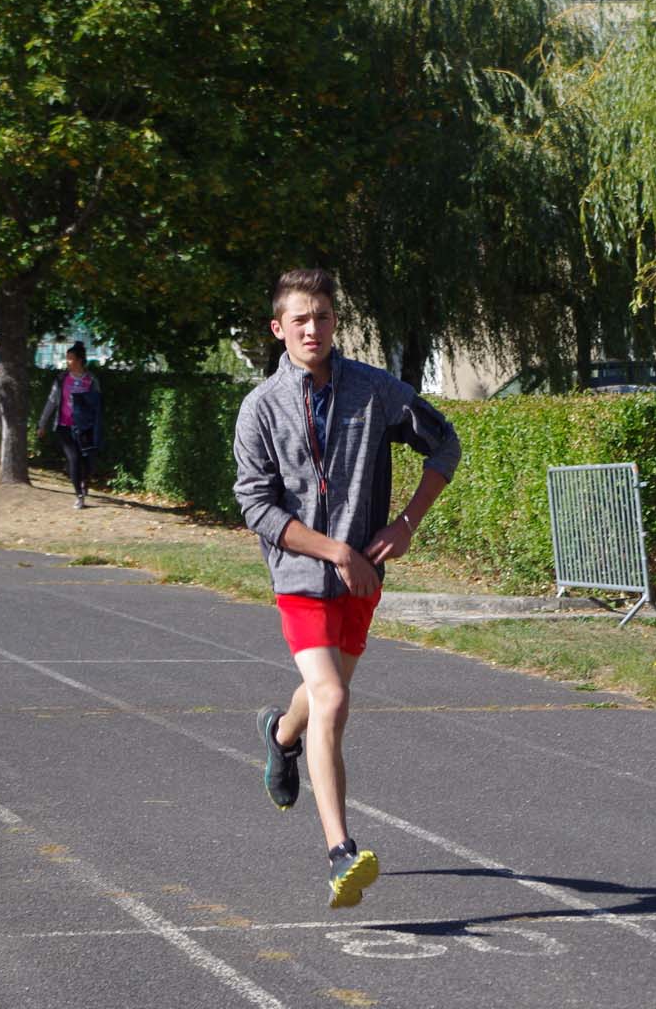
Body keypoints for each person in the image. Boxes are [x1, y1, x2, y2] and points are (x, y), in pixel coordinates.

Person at [233, 268, 461, 909]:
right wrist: (332, 549)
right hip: (302, 576)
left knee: (323, 694)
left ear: (336, 323)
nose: (313, 328)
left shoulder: (376, 391)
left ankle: (280, 734)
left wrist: (407, 522)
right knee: (331, 698)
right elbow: (258, 508)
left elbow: (445, 444)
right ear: (279, 329)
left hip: (365, 574)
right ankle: (340, 853)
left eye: (324, 317)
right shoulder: (260, 408)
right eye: (300, 319)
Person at [36, 341, 103, 510]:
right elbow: (52, 401)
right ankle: (79, 496)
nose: (68, 362)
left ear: (80, 360)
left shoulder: (91, 380)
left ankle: (84, 482)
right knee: (73, 458)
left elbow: (97, 404)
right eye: (67, 359)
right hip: (64, 426)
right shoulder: (61, 379)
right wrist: (42, 423)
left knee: (86, 461)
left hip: (84, 427)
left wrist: (97, 425)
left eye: (71, 359)